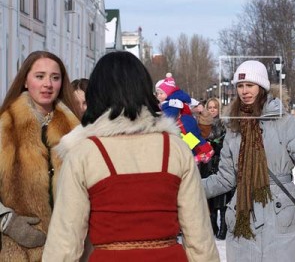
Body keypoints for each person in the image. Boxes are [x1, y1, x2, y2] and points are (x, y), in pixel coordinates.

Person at [42, 51, 219, 261]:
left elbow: (65, 241)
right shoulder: (174, 148)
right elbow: (199, 237)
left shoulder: (84, 154)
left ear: (97, 93)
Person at [202, 60, 295, 262]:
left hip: (280, 214)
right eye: (240, 86)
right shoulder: (234, 128)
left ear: (262, 87)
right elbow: (225, 178)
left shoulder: (283, 121)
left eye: (249, 85)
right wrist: (189, 187)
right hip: (243, 216)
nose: (244, 91)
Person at [0, 50, 80, 260]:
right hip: (18, 250)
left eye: (55, 78)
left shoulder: (77, 131)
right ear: (25, 81)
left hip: (68, 251)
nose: (48, 84)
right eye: (40, 76)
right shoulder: (5, 127)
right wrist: (7, 221)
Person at [155, 73, 214, 164]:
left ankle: (196, 156)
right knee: (194, 141)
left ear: (168, 93)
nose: (159, 96)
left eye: (161, 93)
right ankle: (205, 151)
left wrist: (159, 120)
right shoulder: (176, 101)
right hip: (187, 123)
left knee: (188, 144)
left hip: (183, 127)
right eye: (157, 93)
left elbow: (169, 117)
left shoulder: (172, 103)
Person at [199, 97, 234, 240]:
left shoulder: (225, 124)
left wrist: (217, 145)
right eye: (210, 107)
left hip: (220, 163)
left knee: (223, 198)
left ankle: (223, 228)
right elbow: (193, 139)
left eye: (215, 107)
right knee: (209, 199)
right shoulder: (201, 123)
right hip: (206, 164)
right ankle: (213, 227)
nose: (212, 110)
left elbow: (230, 143)